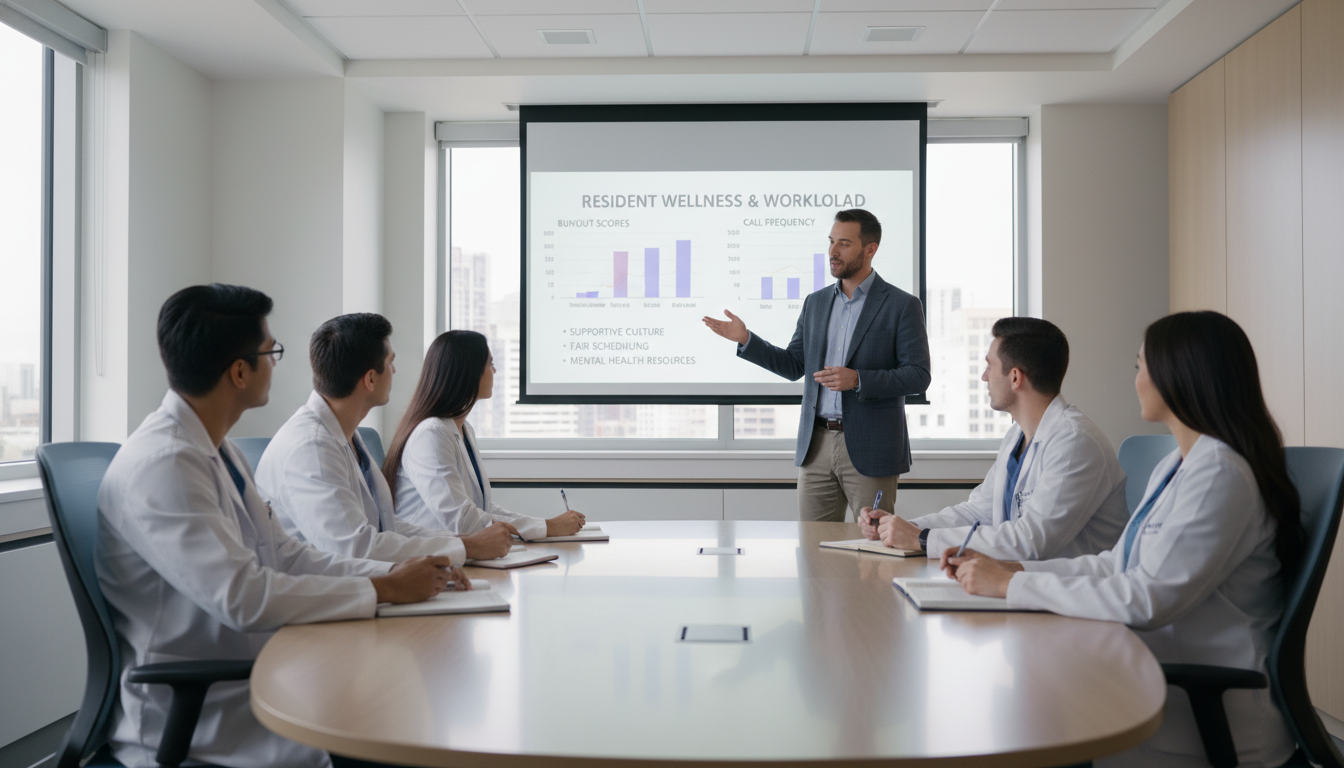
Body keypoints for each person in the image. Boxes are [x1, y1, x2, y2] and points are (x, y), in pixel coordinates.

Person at [97, 285, 462, 768]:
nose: (278, 362)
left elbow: (286, 553)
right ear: (240, 371)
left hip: (265, 670)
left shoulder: (214, 448)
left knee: (417, 706)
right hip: (202, 712)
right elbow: (244, 597)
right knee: (408, 734)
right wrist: (382, 589)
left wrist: (390, 580)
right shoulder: (164, 464)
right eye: (273, 351)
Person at [946, 311, 1305, 768]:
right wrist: (1013, 572)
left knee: (1012, 720)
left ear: (1179, 375)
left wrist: (1011, 585)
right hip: (1145, 678)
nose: (1136, 379)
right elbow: (1115, 564)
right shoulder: (1178, 464)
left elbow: (1146, 598)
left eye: (1141, 366)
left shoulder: (1219, 474)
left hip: (1188, 709)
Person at [702, 209, 931, 522]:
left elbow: (918, 376)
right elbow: (794, 365)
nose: (833, 252)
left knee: (874, 550)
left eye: (844, 244)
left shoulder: (902, 305)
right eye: (831, 241)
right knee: (813, 552)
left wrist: (859, 380)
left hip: (871, 448)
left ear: (870, 249)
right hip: (816, 445)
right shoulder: (816, 303)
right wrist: (746, 339)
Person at [255, 313, 517, 564]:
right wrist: (466, 547)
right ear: (370, 379)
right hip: (323, 594)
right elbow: (356, 548)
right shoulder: (311, 448)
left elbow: (385, 525)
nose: (394, 370)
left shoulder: (344, 435)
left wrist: (460, 544)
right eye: (390, 362)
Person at [862, 317, 1128, 560]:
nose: (984, 377)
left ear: (1015, 377)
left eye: (990, 366)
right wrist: (906, 528)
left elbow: (1030, 541)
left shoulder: (1074, 443)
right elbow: (980, 511)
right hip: (1025, 584)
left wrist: (921, 539)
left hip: (1070, 596)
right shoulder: (1017, 435)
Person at [386, 330, 585, 540]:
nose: (495, 370)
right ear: (468, 371)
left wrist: (543, 525)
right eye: (490, 364)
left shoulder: (463, 429)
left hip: (459, 552)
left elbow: (482, 508)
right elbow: (462, 520)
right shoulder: (431, 435)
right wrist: (546, 527)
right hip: (430, 557)